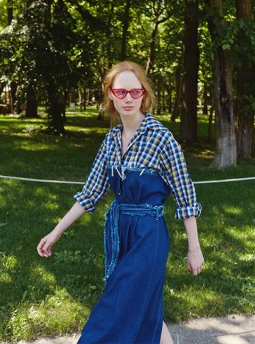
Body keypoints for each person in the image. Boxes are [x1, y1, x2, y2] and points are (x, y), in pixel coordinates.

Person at [37, 60, 204, 344]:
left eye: (135, 92)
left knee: (115, 308)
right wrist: (57, 231)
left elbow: (185, 196)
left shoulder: (162, 139)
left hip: (148, 236)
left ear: (145, 95)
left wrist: (194, 248)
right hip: (120, 234)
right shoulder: (111, 141)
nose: (128, 99)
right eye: (121, 92)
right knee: (146, 311)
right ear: (111, 95)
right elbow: (91, 193)